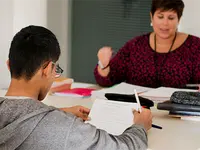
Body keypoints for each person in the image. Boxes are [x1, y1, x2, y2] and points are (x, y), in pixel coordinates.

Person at [0, 25, 152, 150]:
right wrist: (140, 126)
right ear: (46, 70)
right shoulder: (64, 128)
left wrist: (57, 112)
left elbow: (19, 115)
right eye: (55, 70)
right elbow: (123, 148)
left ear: (9, 65)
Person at [94, 0, 200, 88]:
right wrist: (103, 65)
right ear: (151, 17)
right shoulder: (135, 45)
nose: (165, 23)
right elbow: (107, 80)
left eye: (171, 18)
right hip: (139, 110)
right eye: (160, 17)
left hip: (178, 111)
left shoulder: (195, 46)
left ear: (179, 19)